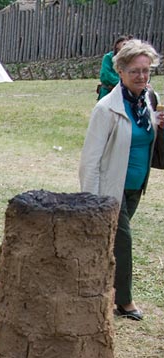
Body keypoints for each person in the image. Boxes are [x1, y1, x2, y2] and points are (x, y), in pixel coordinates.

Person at [80, 39, 159, 322]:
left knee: (111, 242)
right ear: (121, 72)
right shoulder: (106, 108)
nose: (141, 76)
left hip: (137, 186)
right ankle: (124, 301)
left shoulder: (149, 99)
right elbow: (90, 159)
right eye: (135, 71)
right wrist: (90, 200)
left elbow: (147, 134)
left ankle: (94, 287)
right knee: (122, 242)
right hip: (112, 190)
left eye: (146, 70)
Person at [98, 35, 132, 101]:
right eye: (124, 44)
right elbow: (106, 73)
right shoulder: (108, 57)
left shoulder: (129, 59)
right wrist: (121, 83)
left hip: (123, 92)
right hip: (108, 91)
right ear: (117, 45)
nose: (126, 46)